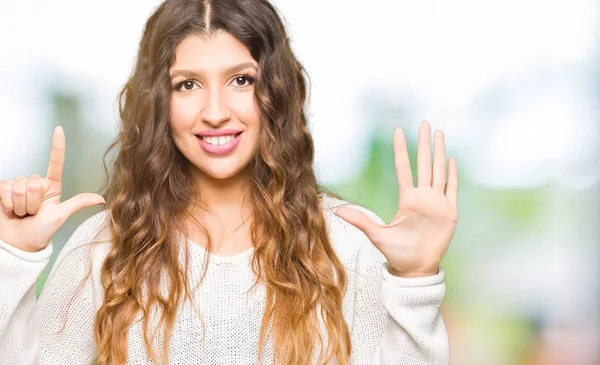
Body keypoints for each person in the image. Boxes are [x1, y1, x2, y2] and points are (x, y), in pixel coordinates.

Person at [0, 0, 459, 364]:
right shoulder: (103, 249)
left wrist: (415, 280)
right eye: (187, 85)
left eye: (241, 80)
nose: (216, 111)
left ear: (275, 93)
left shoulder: (345, 245)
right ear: (159, 102)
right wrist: (12, 258)